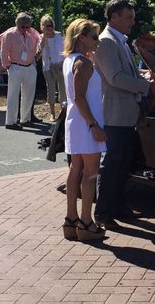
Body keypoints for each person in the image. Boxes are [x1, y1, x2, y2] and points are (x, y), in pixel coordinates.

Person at [93, 0, 151, 230]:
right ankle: (103, 212)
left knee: (123, 162)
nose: (132, 22)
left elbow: (128, 73)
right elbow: (114, 77)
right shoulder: (106, 42)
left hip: (126, 112)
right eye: (128, 17)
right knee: (113, 163)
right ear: (113, 17)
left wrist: (144, 77)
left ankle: (118, 206)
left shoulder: (121, 42)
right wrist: (146, 86)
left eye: (133, 17)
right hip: (114, 113)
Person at [61, 18, 107, 242]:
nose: (98, 41)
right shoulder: (83, 63)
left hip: (75, 122)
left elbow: (77, 97)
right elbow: (80, 97)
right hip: (85, 122)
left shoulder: (71, 60)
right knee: (90, 173)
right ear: (82, 38)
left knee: (75, 169)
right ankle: (86, 222)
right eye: (94, 37)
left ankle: (71, 219)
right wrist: (94, 125)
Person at [0, 13, 41, 130]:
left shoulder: (30, 34)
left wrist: (33, 62)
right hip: (15, 66)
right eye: (23, 26)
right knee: (13, 95)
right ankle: (11, 122)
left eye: (28, 27)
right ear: (17, 24)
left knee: (29, 94)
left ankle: (25, 119)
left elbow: (34, 48)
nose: (25, 29)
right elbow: (3, 51)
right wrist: (7, 65)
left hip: (29, 66)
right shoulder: (9, 34)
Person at [39, 15, 66, 120]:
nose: (48, 28)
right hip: (48, 66)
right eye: (45, 26)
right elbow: (40, 49)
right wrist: (45, 37)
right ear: (42, 27)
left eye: (49, 25)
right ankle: (52, 113)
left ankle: (63, 112)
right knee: (50, 89)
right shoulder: (41, 37)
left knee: (62, 90)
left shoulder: (59, 36)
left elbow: (64, 49)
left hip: (60, 65)